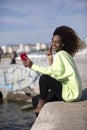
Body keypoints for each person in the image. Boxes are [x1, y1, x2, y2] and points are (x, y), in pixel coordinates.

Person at [21, 25, 82, 116]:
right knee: (34, 99)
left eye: (57, 42)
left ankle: (41, 104)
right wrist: (50, 60)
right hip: (74, 93)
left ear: (63, 44)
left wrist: (32, 65)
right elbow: (56, 73)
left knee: (44, 78)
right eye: (52, 41)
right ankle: (39, 116)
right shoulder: (66, 54)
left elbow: (51, 74)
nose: (53, 44)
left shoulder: (60, 54)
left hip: (69, 93)